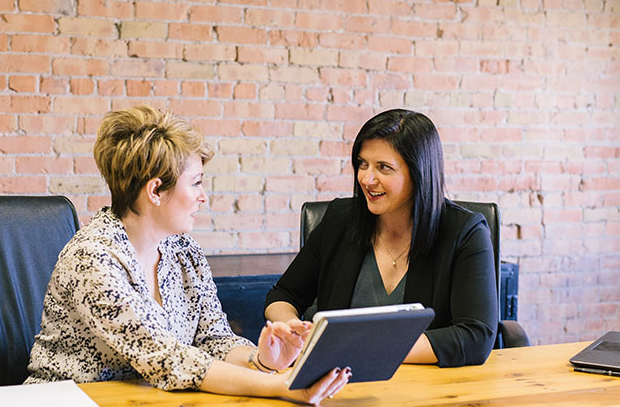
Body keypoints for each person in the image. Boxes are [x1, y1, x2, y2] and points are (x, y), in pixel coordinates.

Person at [26, 105, 349, 404]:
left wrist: (262, 360)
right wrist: (280, 386)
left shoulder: (183, 250)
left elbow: (213, 339)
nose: (203, 197)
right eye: (195, 183)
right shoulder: (93, 259)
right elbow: (168, 359)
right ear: (155, 191)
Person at [264, 108, 498, 367]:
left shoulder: (465, 232)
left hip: (426, 386)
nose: (366, 178)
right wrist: (290, 327)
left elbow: (476, 336)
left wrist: (361, 348)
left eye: (384, 168)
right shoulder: (340, 220)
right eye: (363, 164)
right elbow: (283, 295)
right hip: (337, 383)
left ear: (419, 172)